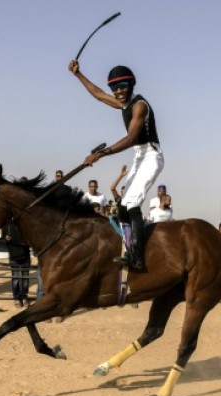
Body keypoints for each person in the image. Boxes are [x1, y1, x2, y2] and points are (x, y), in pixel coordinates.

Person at [69, 60, 163, 270]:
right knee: (121, 206)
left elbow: (130, 138)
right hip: (139, 156)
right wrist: (78, 74)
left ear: (132, 85)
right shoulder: (123, 103)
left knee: (132, 204)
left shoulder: (139, 106)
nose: (118, 92)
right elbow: (99, 95)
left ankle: (137, 258)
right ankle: (129, 247)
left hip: (151, 156)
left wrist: (100, 154)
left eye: (122, 87)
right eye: (115, 88)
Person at [3, 221, 31, 308]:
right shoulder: (7, 225)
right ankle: (17, 298)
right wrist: (6, 239)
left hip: (25, 255)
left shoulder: (25, 223)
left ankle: (24, 297)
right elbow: (3, 240)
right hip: (14, 255)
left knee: (25, 279)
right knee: (15, 279)